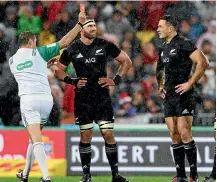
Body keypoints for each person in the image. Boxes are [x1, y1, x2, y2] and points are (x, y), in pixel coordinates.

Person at [9, 11, 86, 182]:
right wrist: (79, 25)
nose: (36, 44)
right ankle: (25, 174)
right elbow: (65, 42)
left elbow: (26, 71)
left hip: (29, 100)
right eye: (35, 41)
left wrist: (42, 63)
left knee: (36, 139)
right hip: (46, 100)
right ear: (30, 41)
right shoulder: (40, 53)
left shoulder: (12, 61)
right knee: (34, 138)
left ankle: (45, 176)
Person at [54, 18, 132, 182]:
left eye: (95, 25)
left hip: (102, 97)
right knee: (86, 136)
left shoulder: (105, 44)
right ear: (82, 29)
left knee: (108, 134)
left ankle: (115, 175)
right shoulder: (72, 49)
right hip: (83, 99)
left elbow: (126, 61)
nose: (93, 28)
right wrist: (72, 81)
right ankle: (86, 175)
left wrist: (116, 80)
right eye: (90, 26)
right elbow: (57, 71)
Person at [156, 15, 209, 182]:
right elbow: (159, 70)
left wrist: (190, 83)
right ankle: (180, 176)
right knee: (174, 134)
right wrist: (160, 86)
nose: (157, 29)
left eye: (160, 26)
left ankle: (194, 175)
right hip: (169, 96)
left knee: (185, 133)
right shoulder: (163, 47)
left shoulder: (184, 43)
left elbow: (203, 62)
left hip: (184, 94)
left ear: (170, 28)